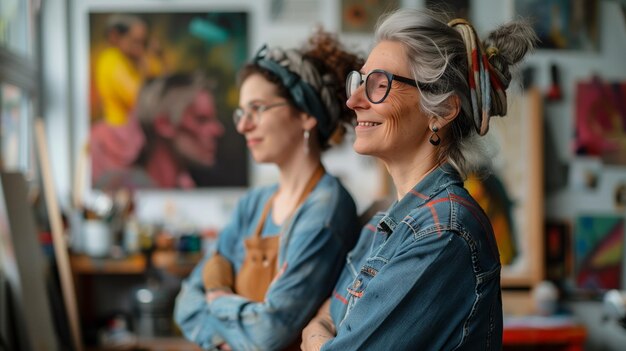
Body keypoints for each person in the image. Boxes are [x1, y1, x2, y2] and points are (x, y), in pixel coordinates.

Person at [301, 9, 537, 350]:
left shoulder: (445, 233)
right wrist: (321, 334)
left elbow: (327, 322)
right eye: (360, 81)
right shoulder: (381, 227)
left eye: (379, 84)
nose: (353, 101)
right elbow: (324, 314)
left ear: (440, 111)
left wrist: (316, 334)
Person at [173, 29, 363, 350]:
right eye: (241, 112)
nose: (242, 125)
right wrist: (229, 338)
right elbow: (186, 304)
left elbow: (268, 334)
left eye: (257, 109)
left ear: (306, 115)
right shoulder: (254, 203)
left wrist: (217, 295)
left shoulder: (326, 210)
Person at [93, 72, 225, 190]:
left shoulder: (184, 189)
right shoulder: (121, 187)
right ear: (164, 124)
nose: (218, 130)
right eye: (201, 119)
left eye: (213, 119)